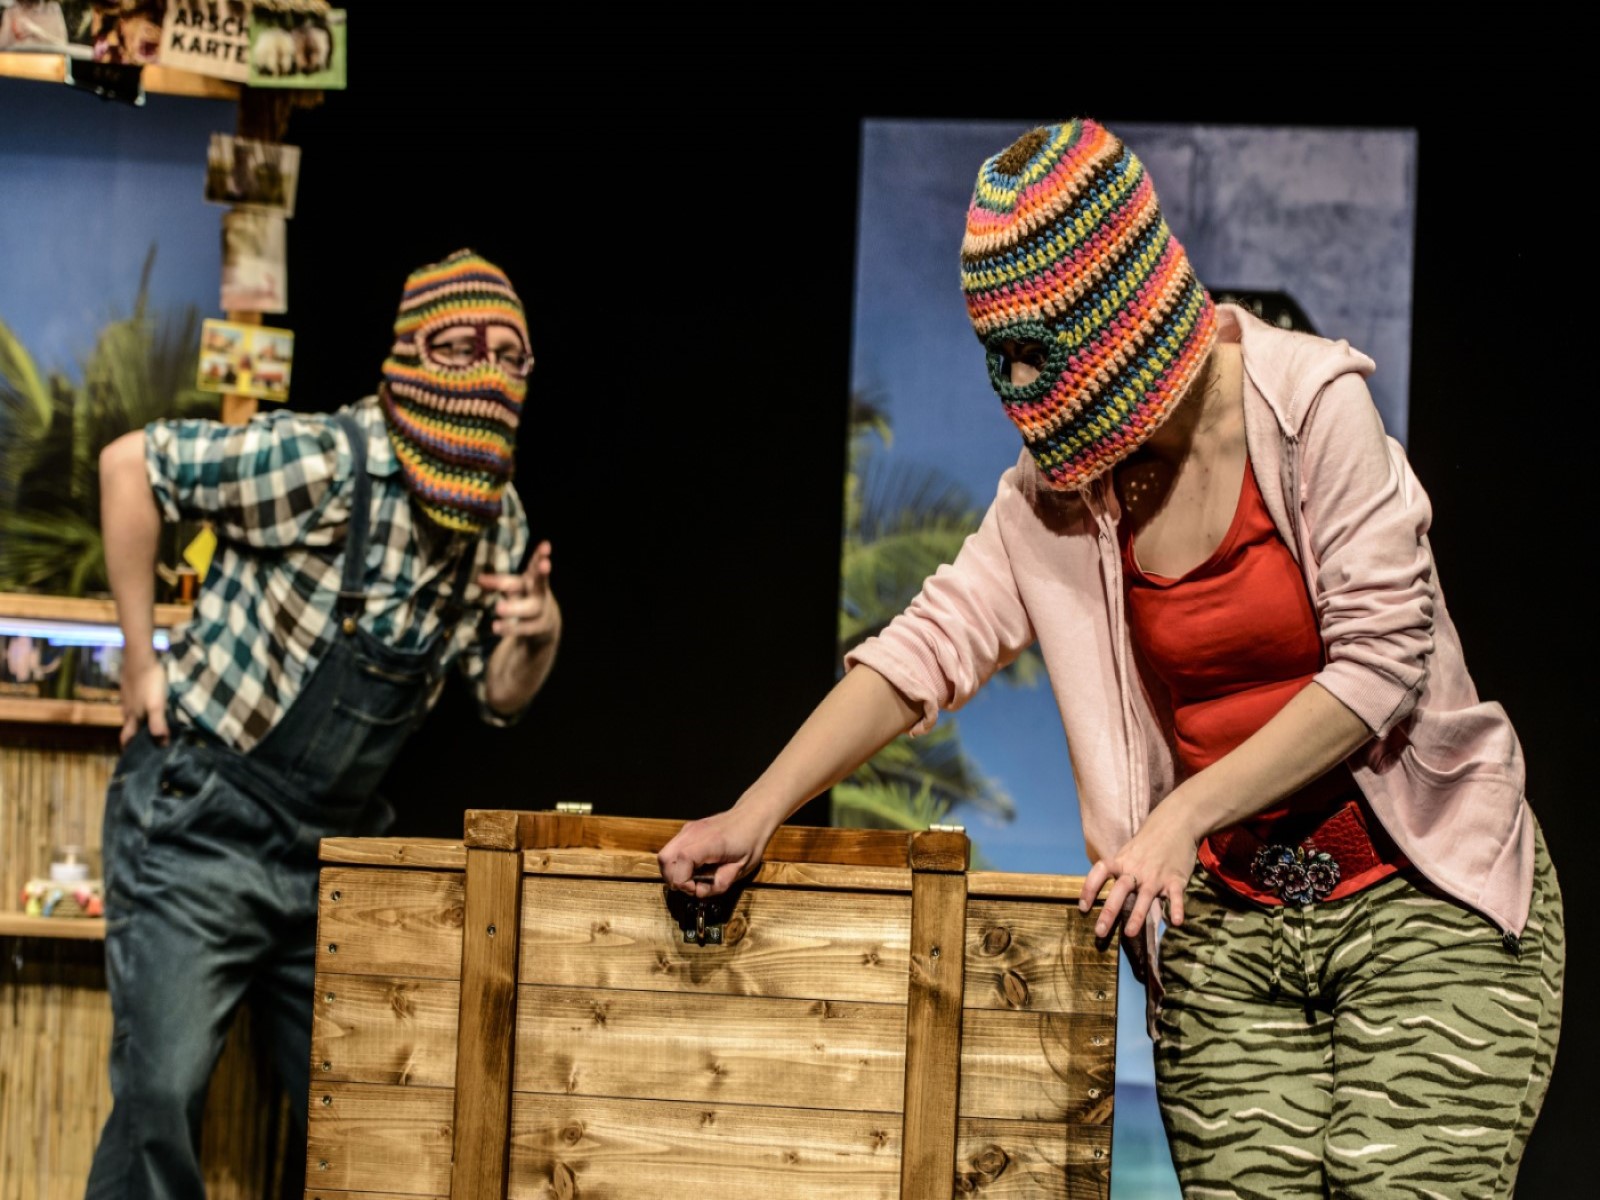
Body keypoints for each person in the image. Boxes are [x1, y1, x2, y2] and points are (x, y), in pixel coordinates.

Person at [658, 119, 1563, 1198]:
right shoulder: (1060, 493)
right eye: (998, 356)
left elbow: (1382, 662)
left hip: (1419, 899)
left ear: (1116, 309)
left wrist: (1179, 819)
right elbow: (925, 648)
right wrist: (756, 810)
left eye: (1036, 350)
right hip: (1234, 934)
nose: (1017, 386)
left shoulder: (1313, 406)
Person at [87, 248, 561, 1198]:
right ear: (412, 355)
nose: (489, 375)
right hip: (201, 823)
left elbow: (498, 694)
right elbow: (130, 465)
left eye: (511, 357)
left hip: (332, 854)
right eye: (461, 348)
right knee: (160, 1098)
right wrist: (140, 658)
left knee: (373, 1110)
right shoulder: (325, 462)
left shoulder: (495, 518)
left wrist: (540, 635)